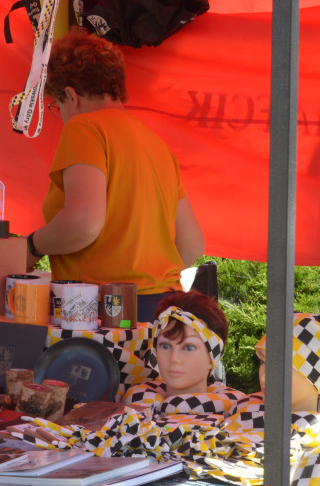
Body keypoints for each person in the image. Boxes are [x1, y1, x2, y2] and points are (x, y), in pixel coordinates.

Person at [24, 30, 205, 321]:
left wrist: (31, 246)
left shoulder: (84, 128)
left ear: (70, 95)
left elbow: (83, 223)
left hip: (102, 310)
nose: (60, 115)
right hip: (165, 310)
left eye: (56, 106)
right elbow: (193, 245)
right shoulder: (154, 142)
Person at [122, 291, 244, 416]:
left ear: (213, 357)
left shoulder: (237, 412)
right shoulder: (136, 404)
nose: (174, 358)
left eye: (189, 348)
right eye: (165, 346)